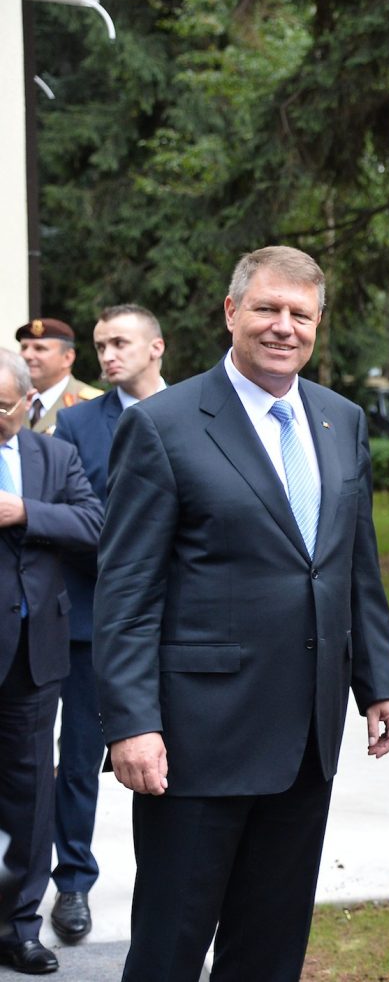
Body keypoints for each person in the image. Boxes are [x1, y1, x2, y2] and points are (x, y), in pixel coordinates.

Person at [94, 246, 389, 981]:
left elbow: (354, 565)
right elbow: (127, 590)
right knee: (170, 948)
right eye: (267, 308)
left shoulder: (341, 420)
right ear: (232, 312)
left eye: (301, 314)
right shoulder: (164, 425)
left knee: (269, 951)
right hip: (196, 742)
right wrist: (132, 723)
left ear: (318, 325)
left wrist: (379, 683)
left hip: (306, 739)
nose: (283, 327)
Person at [46, 305, 168, 944]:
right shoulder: (76, 423)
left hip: (179, 624)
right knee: (78, 760)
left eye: (120, 342)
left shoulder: (201, 412)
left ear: (156, 348)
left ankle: (175, 882)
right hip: (94, 619)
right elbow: (70, 516)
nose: (108, 355)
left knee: (180, 759)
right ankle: (73, 882)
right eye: (100, 345)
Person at [0, 349, 103, 974]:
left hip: (34, 656)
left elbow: (94, 523)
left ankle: (18, 927)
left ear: (26, 401)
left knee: (30, 796)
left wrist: (26, 512)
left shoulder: (53, 456)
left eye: (1, 406)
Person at [13, 319, 101, 435]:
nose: (27, 355)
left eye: (39, 348)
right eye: (24, 348)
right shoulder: (11, 401)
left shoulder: (93, 404)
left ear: (67, 357)